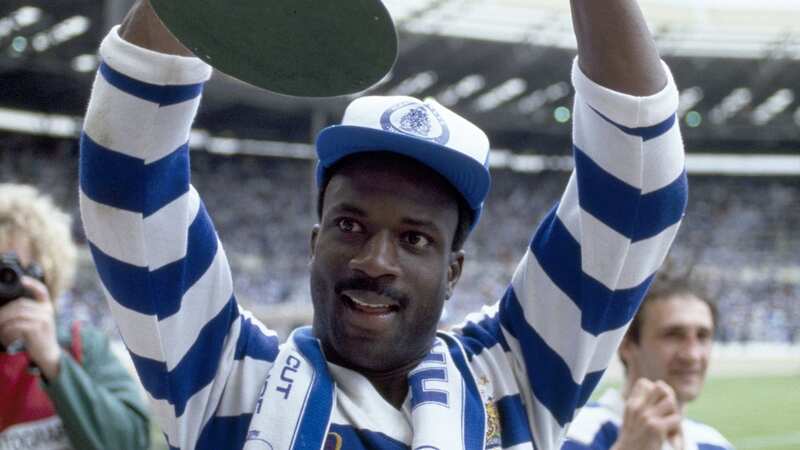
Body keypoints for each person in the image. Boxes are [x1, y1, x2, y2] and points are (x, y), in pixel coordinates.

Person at [78, 0, 688, 449]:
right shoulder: (227, 377)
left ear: (453, 272)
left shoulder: (516, 376)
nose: (375, 260)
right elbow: (128, 174)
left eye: (415, 238)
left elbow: (636, 192)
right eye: (349, 224)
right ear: (315, 243)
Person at [0, 183, 150, 450]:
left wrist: (54, 362)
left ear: (44, 274)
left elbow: (132, 441)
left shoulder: (80, 345)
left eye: (8, 274)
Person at [561, 277, 734, 450]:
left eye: (702, 336)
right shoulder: (572, 434)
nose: (692, 355)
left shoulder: (716, 443)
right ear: (626, 344)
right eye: (673, 335)